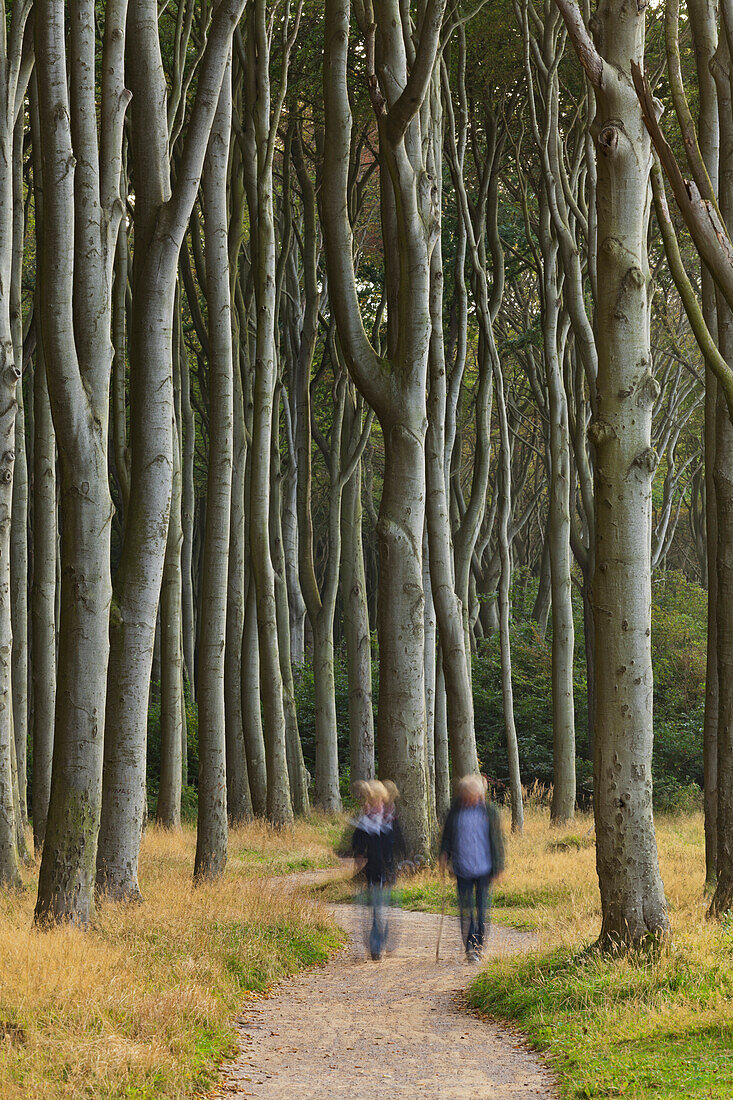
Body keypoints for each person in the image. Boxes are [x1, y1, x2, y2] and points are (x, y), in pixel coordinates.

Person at [439, 774, 505, 962]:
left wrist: (499, 866)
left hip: (485, 867)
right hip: (462, 868)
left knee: (482, 910)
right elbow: (447, 836)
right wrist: (444, 853)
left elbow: (497, 841)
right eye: (467, 797)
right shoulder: (454, 812)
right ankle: (470, 948)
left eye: (474, 797)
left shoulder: (489, 812)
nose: (470, 800)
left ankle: (478, 947)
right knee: (466, 911)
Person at [352, 780, 391, 960]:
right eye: (371, 800)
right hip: (372, 872)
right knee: (376, 910)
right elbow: (356, 843)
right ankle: (376, 947)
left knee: (385, 909)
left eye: (377, 800)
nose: (374, 804)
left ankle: (383, 939)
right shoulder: (364, 822)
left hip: (388, 872)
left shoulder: (390, 820)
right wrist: (359, 854)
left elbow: (398, 845)